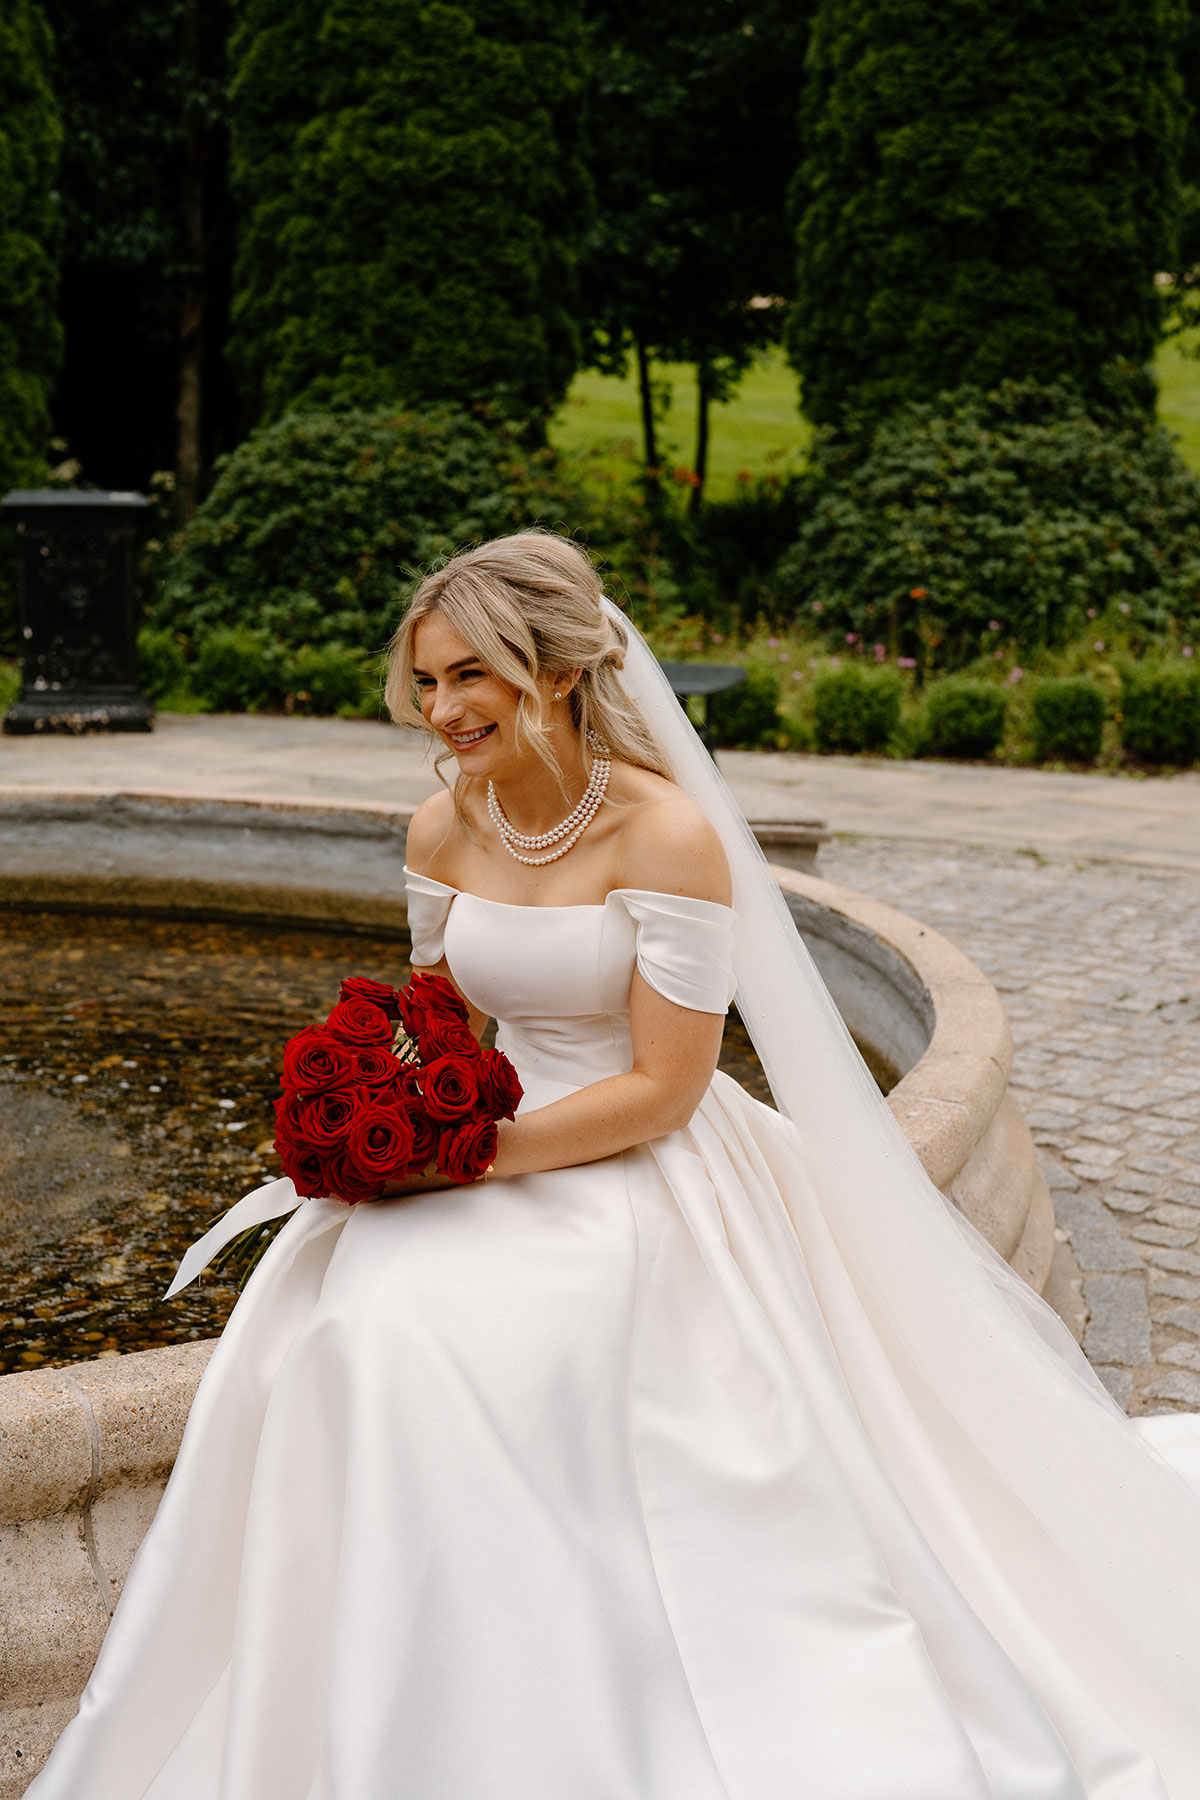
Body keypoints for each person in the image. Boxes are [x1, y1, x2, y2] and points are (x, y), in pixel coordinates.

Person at [27, 531, 1200, 1800]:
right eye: (427, 682)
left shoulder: (666, 837)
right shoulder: (442, 826)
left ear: (560, 670)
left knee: (468, 1342)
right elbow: (438, 1027)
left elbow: (665, 1087)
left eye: (473, 675)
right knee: (342, 1328)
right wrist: (382, 1108)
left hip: (635, 1161)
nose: (444, 709)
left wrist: (463, 1162)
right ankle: (375, 1682)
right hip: (486, 1141)